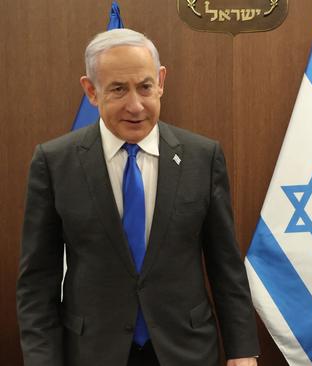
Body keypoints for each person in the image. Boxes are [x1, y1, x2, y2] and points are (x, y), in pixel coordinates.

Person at [16, 28, 259, 366]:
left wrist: (242, 350)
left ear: (160, 81)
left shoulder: (202, 157)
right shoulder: (55, 162)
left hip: (185, 350)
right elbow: (37, 280)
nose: (136, 105)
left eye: (145, 87)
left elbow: (225, 265)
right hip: (92, 352)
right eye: (117, 89)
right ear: (91, 90)